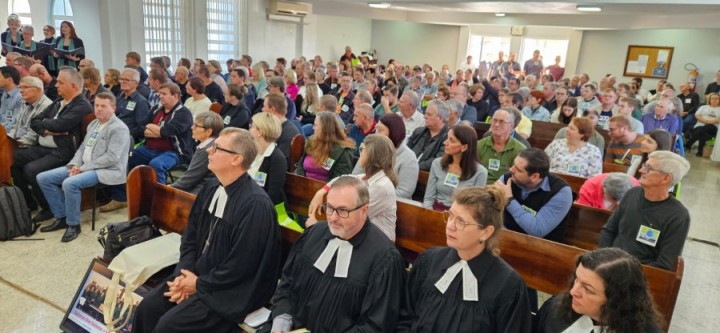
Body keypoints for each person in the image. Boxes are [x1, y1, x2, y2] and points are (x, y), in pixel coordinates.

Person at [134, 128, 282, 333]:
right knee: (147, 308)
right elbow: (190, 237)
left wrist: (198, 285)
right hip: (197, 275)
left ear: (236, 159)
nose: (209, 151)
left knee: (168, 326)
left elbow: (242, 265)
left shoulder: (255, 205)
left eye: (217, 148)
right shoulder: (212, 187)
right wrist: (183, 275)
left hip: (229, 290)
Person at [267, 176, 404, 332]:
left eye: (342, 210)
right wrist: (282, 319)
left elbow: (376, 326)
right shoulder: (313, 234)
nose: (333, 217)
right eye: (330, 208)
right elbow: (287, 283)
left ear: (364, 210)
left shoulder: (385, 259)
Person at [398, 186, 532, 332]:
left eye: (461, 222)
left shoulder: (508, 287)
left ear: (486, 232)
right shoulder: (429, 261)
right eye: (450, 216)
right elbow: (405, 316)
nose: (450, 226)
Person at [36, 92, 130, 242]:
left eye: (103, 106)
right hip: (84, 166)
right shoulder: (94, 124)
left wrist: (83, 168)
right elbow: (81, 148)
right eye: (96, 105)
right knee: (43, 178)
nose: (99, 109)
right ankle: (61, 217)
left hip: (106, 170)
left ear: (113, 108)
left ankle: (73, 225)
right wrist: (74, 164)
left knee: (69, 183)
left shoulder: (119, 128)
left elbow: (111, 158)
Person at [13, 68, 92, 222]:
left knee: (31, 170)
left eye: (61, 83)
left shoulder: (82, 105)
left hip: (63, 151)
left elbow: (61, 125)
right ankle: (29, 203)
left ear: (74, 86)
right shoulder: (58, 101)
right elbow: (34, 121)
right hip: (44, 147)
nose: (56, 85)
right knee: (15, 159)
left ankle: (48, 207)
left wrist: (48, 126)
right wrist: (48, 129)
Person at [102, 83, 194, 212]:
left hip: (173, 152)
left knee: (156, 164)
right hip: (149, 149)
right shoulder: (156, 108)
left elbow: (167, 132)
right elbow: (140, 128)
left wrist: (153, 128)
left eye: (164, 94)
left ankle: (160, 203)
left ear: (176, 96)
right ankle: (121, 197)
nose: (160, 96)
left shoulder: (183, 113)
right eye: (159, 93)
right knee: (124, 158)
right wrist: (156, 130)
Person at [599, 151, 691, 270]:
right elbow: (608, 230)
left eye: (649, 168)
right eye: (644, 166)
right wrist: (603, 260)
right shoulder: (632, 193)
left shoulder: (678, 216)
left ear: (666, 178)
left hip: (639, 277)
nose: (641, 170)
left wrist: (625, 272)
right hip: (609, 265)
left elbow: (665, 264)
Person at [535, 248, 663, 333]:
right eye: (577, 279)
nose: (573, 292)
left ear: (616, 300)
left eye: (587, 289)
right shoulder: (555, 308)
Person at [306, 134, 398, 240]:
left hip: (378, 244)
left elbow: (352, 218)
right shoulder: (365, 178)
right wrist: (322, 191)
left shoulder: (382, 187)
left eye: (363, 149)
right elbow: (343, 177)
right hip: (359, 237)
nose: (360, 153)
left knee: (315, 238)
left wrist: (316, 227)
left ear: (372, 156)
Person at [495, 148, 573, 242]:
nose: (511, 170)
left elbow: (537, 230)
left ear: (534, 177)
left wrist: (509, 200)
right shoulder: (508, 178)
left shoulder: (561, 192)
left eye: (518, 170)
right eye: (513, 165)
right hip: (505, 238)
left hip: (542, 248)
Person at [353, 113, 418, 199]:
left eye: (380, 130)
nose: (376, 134)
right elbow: (355, 175)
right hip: (362, 197)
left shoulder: (408, 158)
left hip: (392, 204)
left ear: (394, 133)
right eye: (376, 129)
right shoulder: (371, 149)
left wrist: (372, 195)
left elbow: (404, 192)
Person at [424, 125, 488, 211]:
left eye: (452, 140)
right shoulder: (437, 164)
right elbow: (428, 198)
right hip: (435, 211)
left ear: (464, 147)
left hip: (461, 216)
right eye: (447, 138)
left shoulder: (480, 172)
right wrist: (430, 214)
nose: (445, 142)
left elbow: (475, 207)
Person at [170, 112, 223, 194]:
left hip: (200, 193)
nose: (192, 127)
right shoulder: (210, 144)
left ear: (208, 131)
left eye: (196, 126)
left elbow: (189, 179)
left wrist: (168, 188)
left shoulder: (207, 150)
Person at [296, 111, 355, 182]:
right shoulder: (311, 141)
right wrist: (301, 180)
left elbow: (338, 180)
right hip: (302, 185)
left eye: (316, 125)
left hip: (325, 189)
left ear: (325, 128)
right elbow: (300, 165)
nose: (313, 128)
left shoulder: (343, 151)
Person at [476, 108, 528, 183]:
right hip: (480, 187)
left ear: (511, 126)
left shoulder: (520, 149)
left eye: (502, 122)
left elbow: (517, 177)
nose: (496, 124)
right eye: (494, 120)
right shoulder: (479, 145)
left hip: (503, 189)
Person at [248, 112, 288, 205]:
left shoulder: (277, 159)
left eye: (252, 126)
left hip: (263, 207)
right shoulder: (252, 151)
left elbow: (273, 195)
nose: (249, 129)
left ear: (260, 132)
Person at [7, 76, 53, 143]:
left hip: (29, 145)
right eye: (20, 87)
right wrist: (7, 140)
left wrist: (13, 145)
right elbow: (15, 127)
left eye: (25, 87)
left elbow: (33, 136)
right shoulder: (26, 103)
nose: (21, 91)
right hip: (18, 142)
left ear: (38, 90)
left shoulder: (46, 105)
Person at [407, 100, 449, 171]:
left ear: (440, 118)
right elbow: (406, 151)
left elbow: (437, 161)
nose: (425, 116)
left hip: (427, 175)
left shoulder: (448, 137)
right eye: (425, 113)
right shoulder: (418, 131)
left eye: (429, 114)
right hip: (409, 169)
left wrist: (413, 166)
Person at [263, 92, 300, 167]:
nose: (262, 109)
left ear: (273, 110)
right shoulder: (273, 127)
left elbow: (280, 163)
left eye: (264, 106)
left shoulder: (289, 133)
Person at [115, 68, 151, 143]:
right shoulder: (118, 99)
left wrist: (123, 134)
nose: (123, 82)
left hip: (129, 138)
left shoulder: (141, 102)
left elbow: (141, 127)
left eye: (127, 80)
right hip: (115, 133)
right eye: (121, 79)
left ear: (136, 83)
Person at [684, 92, 720, 157]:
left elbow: (718, 120)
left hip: (714, 128)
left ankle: (689, 144)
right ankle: (700, 152)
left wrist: (706, 121)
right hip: (700, 126)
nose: (714, 100)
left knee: (708, 126)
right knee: (702, 132)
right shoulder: (703, 107)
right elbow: (697, 116)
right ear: (709, 100)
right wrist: (709, 121)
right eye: (712, 98)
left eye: (716, 99)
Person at [0, 66, 23, 132]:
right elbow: (5, 116)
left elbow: (13, 123)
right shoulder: (5, 93)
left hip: (9, 134)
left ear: (9, 79)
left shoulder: (20, 97)